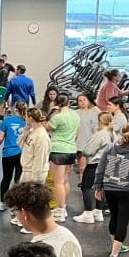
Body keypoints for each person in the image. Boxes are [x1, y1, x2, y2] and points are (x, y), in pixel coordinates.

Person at [94, 124, 129, 257]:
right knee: (123, 221)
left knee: (115, 217)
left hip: (110, 188)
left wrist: (98, 186)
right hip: (127, 191)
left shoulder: (110, 147)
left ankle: (115, 245)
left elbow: (100, 168)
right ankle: (114, 255)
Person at [74, 112, 114, 225]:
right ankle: (98, 212)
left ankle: (88, 214)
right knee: (101, 188)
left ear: (100, 121)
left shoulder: (100, 134)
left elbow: (87, 151)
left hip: (95, 164)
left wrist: (93, 135)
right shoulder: (113, 134)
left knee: (86, 187)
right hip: (108, 164)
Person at [47, 94, 80, 223]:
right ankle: (63, 207)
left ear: (57, 103)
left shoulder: (58, 117)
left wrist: (51, 112)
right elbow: (77, 133)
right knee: (65, 181)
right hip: (71, 150)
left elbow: (46, 128)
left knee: (58, 182)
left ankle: (60, 211)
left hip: (58, 151)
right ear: (68, 103)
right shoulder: (75, 115)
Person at [0, 101, 27, 211]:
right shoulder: (27, 122)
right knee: (18, 179)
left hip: (8, 154)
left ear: (15, 109)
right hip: (22, 153)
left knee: (6, 178)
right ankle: (17, 205)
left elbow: (0, 138)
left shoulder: (6, 121)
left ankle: (3, 203)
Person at [74, 92, 99, 175]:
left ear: (88, 101)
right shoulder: (75, 113)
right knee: (82, 166)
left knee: (87, 166)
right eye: (80, 100)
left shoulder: (94, 113)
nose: (82, 102)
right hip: (79, 142)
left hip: (90, 142)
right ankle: (82, 182)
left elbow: (95, 129)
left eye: (84, 100)